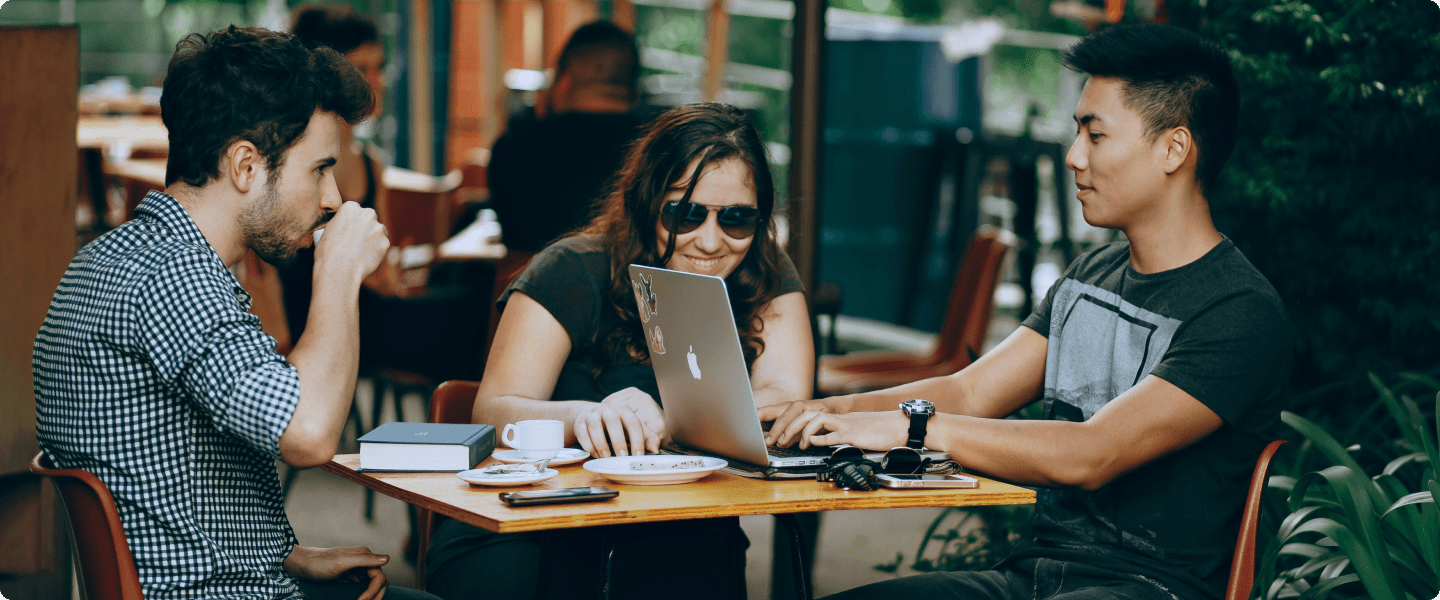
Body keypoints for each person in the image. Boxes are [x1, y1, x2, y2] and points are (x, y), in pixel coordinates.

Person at [762, 24, 1290, 600]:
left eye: (1096, 135)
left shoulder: (1238, 311)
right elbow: (968, 394)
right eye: (1076, 133)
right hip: (1032, 577)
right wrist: (823, 411)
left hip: (1150, 588)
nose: (1073, 157)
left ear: (1174, 149)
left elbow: (1094, 453)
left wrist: (913, 428)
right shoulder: (1088, 277)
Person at [33, 26, 438, 600]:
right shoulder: (174, 277)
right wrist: (341, 271)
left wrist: (287, 557)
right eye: (318, 169)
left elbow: (163, 480)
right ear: (245, 165)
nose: (333, 199)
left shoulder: (119, 257)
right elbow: (310, 433)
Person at [423, 103, 815, 599]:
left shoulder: (763, 268)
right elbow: (495, 408)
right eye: (686, 214)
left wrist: (672, 419)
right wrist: (590, 416)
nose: (712, 241)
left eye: (737, 218)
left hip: (681, 528)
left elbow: (784, 396)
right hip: (536, 522)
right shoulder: (572, 267)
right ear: (647, 202)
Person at [487, 20, 647, 253]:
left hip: (530, 287)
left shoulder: (512, 149)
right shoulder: (658, 148)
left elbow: (512, 236)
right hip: (629, 288)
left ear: (563, 82)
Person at [281, 2, 392, 338]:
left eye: (380, 67)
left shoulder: (372, 165)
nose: (376, 82)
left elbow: (385, 275)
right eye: (361, 68)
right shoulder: (289, 163)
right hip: (305, 324)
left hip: (365, 320)